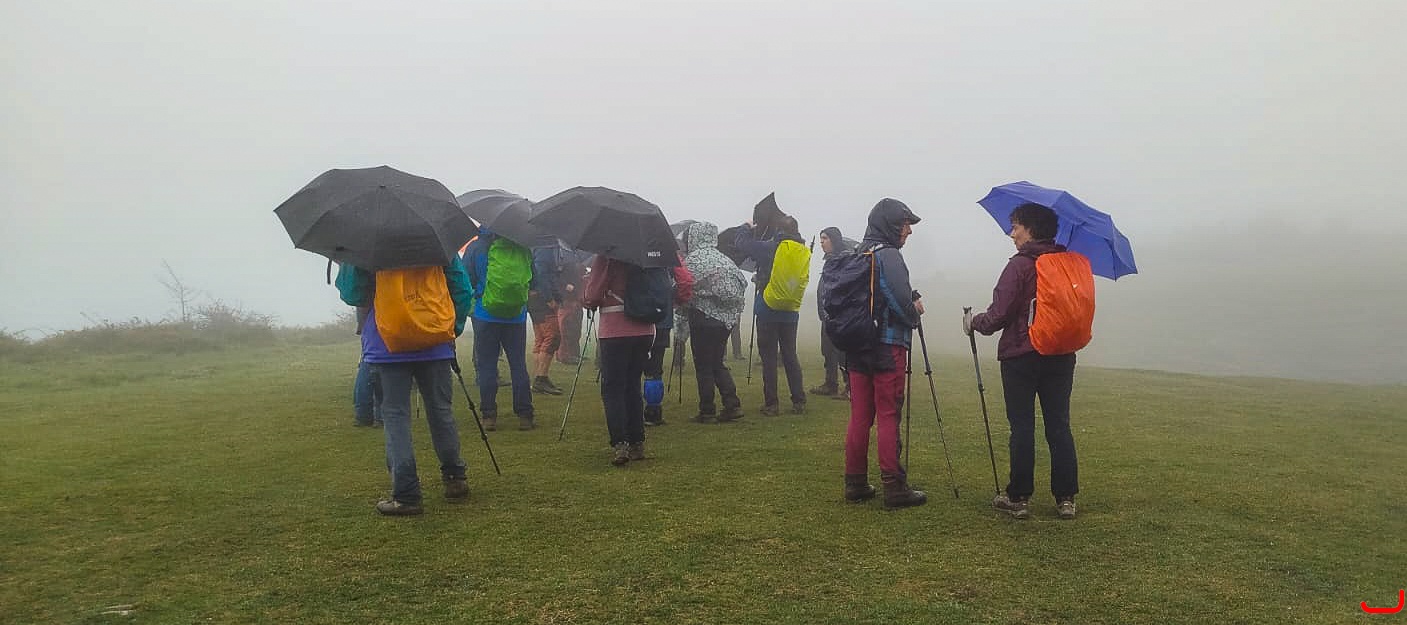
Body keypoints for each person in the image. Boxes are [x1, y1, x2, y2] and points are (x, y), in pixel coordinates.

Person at [965, 203, 1080, 520]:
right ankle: (1066, 498)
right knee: (1059, 425)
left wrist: (974, 322)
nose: (1011, 233)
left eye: (1015, 226)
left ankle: (1019, 497)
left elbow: (998, 315)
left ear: (1030, 229)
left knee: (1022, 426)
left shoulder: (1019, 266)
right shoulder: (1065, 264)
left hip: (1021, 354)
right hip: (1061, 354)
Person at [336, 259, 474, 516]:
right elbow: (463, 289)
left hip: (385, 344)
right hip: (435, 341)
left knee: (395, 417)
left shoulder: (368, 246)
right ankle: (455, 478)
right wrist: (451, 328)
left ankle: (406, 494)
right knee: (441, 411)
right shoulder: (437, 243)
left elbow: (351, 292)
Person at [843, 198, 927, 509]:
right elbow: (900, 304)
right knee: (889, 413)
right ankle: (894, 486)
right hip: (887, 345)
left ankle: (855, 481)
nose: (909, 231)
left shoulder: (857, 253)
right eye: (905, 224)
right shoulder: (888, 255)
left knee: (860, 415)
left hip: (857, 345)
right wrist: (915, 311)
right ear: (890, 225)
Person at [581, 255, 658, 465]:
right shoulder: (646, 256)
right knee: (633, 386)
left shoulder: (607, 257)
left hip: (615, 331)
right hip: (645, 330)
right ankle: (637, 442)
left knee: (613, 389)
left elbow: (592, 296)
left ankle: (620, 443)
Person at [462, 229, 535, 431]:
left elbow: (466, 279)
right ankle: (525, 414)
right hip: (516, 315)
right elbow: (533, 281)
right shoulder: (522, 247)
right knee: (518, 364)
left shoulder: (476, 247)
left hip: (485, 314)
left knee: (487, 365)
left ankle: (489, 415)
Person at [733, 216, 807, 416]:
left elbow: (741, 243)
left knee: (769, 357)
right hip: (790, 310)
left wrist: (746, 227)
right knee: (790, 355)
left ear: (777, 230)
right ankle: (799, 400)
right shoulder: (802, 249)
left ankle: (772, 404)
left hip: (768, 308)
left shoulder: (770, 247)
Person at [677, 221, 748, 423]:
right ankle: (732, 404)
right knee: (717, 362)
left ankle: (707, 410)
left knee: (703, 365)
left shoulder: (693, 261)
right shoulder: (724, 259)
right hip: (724, 321)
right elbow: (741, 283)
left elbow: (683, 287)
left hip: (702, 318)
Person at [643, 253, 694, 426]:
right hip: (661, 317)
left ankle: (627, 410)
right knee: (655, 368)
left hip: (632, 316)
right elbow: (685, 280)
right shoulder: (667, 250)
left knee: (630, 366)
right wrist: (677, 299)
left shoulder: (628, 248)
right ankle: (653, 412)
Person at [810, 227, 852, 401]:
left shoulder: (844, 260)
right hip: (827, 315)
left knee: (842, 352)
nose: (821, 242)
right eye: (821, 239)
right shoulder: (830, 260)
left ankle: (850, 387)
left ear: (834, 239)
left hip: (839, 315)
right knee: (827, 350)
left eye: (825, 238)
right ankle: (830, 383)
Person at [528, 243, 568, 396]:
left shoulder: (537, 246)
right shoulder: (545, 248)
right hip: (542, 299)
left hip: (534, 298)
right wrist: (549, 297)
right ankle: (541, 378)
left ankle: (539, 377)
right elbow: (542, 274)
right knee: (552, 337)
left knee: (541, 338)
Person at [556, 246, 589, 365]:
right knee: (566, 329)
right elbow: (556, 277)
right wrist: (565, 285)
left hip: (576, 298)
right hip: (567, 299)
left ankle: (574, 353)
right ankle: (564, 355)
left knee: (575, 328)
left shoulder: (576, 260)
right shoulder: (562, 259)